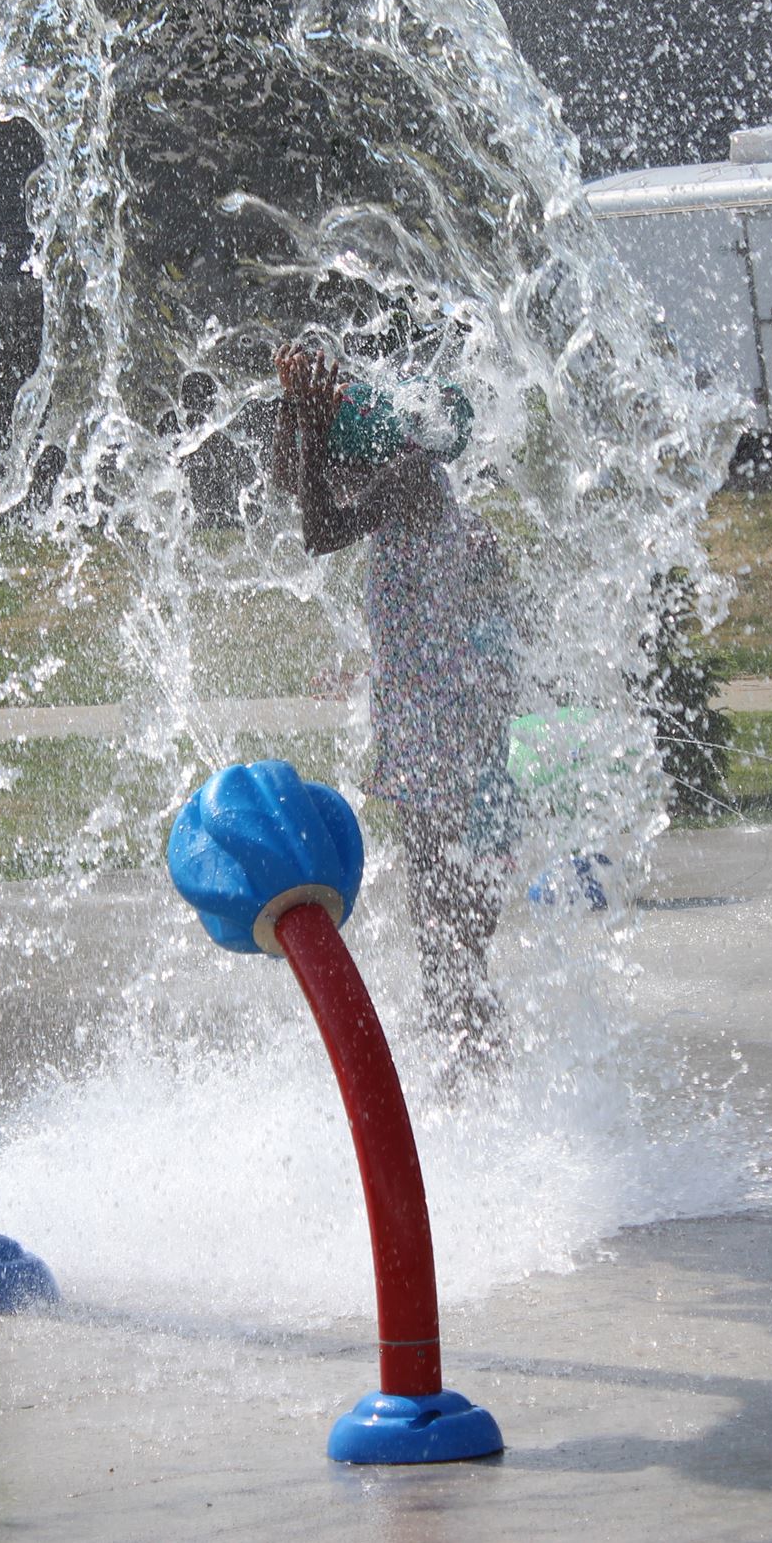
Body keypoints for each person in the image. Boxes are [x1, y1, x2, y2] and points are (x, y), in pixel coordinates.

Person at [269, 336, 519, 1063]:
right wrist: (297, 411)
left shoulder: (411, 474)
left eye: (343, 452)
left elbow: (320, 530)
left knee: (449, 921)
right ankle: (466, 1056)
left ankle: (474, 1060)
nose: (338, 469)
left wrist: (316, 427)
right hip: (428, 728)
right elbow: (296, 480)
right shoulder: (402, 478)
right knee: (436, 917)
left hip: (449, 730)